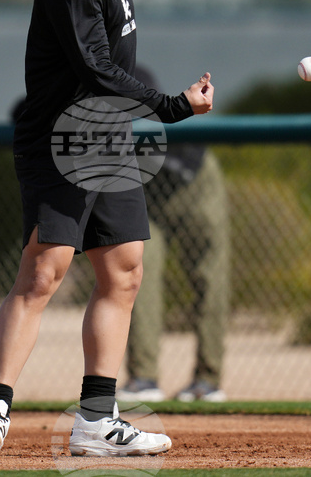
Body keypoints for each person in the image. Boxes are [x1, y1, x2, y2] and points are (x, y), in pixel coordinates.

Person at [0, 0, 214, 461]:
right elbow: (95, 68)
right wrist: (172, 106)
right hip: (63, 142)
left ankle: (97, 420)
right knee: (43, 272)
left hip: (106, 140)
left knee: (124, 268)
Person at [118, 66, 231, 403]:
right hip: (147, 191)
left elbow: (152, 113)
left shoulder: (129, 70)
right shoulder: (73, 69)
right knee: (136, 275)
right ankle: (143, 378)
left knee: (210, 278)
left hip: (193, 181)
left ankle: (208, 380)